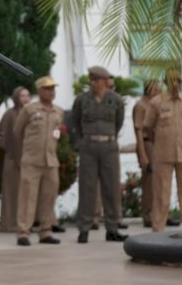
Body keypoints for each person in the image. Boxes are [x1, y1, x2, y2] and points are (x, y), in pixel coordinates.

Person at [72, 66, 128, 243]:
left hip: (109, 146)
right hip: (88, 146)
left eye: (95, 80)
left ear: (105, 81)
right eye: (91, 80)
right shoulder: (82, 100)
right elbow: (76, 121)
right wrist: (83, 141)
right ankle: (84, 228)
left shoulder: (116, 100)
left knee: (111, 187)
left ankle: (112, 228)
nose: (92, 83)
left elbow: (119, 122)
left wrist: (109, 137)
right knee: (86, 187)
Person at [13, 76, 64, 246]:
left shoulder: (58, 111)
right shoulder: (29, 110)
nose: (52, 92)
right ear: (40, 91)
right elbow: (17, 131)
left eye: (53, 88)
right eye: (48, 89)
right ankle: (23, 232)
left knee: (48, 197)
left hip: (51, 161)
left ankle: (46, 231)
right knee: (28, 197)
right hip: (32, 160)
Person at [144, 71, 182, 232]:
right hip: (163, 154)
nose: (176, 84)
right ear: (166, 82)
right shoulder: (156, 102)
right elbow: (148, 128)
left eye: (178, 81)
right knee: (161, 194)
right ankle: (158, 229)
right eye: (172, 81)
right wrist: (160, 142)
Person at [0, 86, 31, 232]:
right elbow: (2, 136)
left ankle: (26, 223)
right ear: (16, 97)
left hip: (29, 160)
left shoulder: (32, 113)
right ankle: (10, 224)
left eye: (27, 96)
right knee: (12, 193)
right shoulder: (9, 115)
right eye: (22, 96)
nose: (25, 99)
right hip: (12, 160)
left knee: (26, 194)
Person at [133, 79, 162, 227]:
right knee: (149, 181)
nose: (159, 92)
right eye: (156, 89)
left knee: (160, 181)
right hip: (147, 143)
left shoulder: (156, 105)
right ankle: (148, 215)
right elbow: (138, 131)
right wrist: (142, 154)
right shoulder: (141, 106)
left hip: (158, 144)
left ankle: (160, 214)